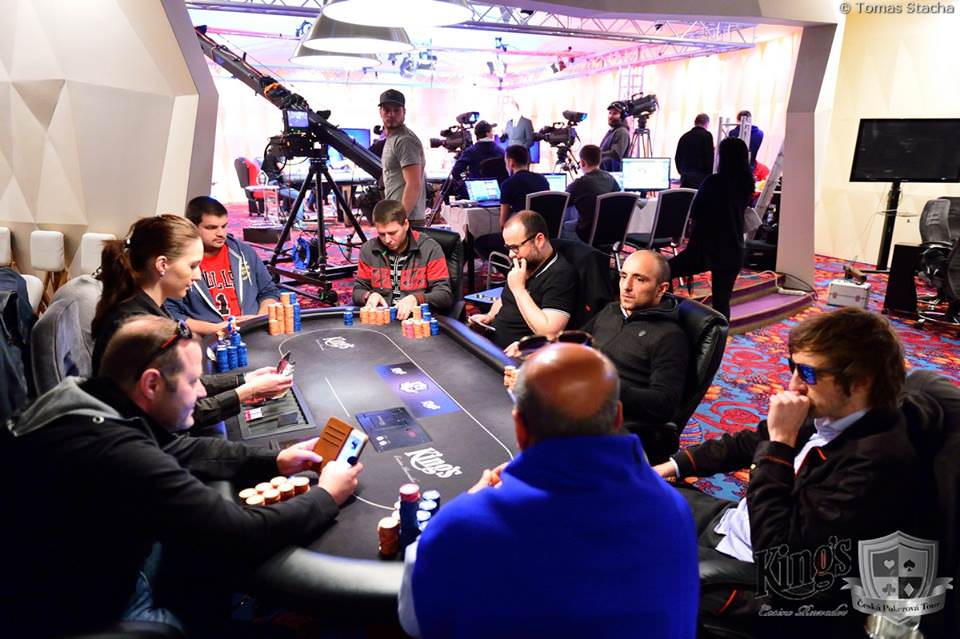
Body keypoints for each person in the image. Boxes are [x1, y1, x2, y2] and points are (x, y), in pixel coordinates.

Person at [0, 315, 362, 637]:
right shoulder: (119, 454)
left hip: (76, 566)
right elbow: (241, 534)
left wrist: (276, 460)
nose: (202, 391)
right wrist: (326, 495)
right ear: (152, 384)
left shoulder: (84, 396)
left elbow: (179, 449)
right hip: (88, 611)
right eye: (192, 381)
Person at [653, 308, 929, 630]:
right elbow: (748, 442)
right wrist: (671, 466)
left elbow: (779, 560)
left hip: (758, 577)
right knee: (634, 500)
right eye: (792, 367)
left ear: (859, 383)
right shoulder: (832, 414)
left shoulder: (875, 464)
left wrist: (780, 445)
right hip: (735, 525)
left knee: (630, 560)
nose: (793, 384)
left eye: (808, 374)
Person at [398, 343, 699, 639]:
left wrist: (472, 503)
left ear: (520, 428)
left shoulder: (462, 524)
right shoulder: (673, 507)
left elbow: (414, 620)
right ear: (618, 416)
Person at [92, 214, 291, 429]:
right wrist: (247, 392)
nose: (197, 276)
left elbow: (177, 382)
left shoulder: (147, 307)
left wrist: (245, 379)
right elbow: (181, 413)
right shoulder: (135, 327)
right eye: (193, 266)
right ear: (162, 265)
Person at [582, 250, 688, 463]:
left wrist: (609, 388)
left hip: (615, 424)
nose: (626, 287)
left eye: (639, 279)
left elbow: (664, 404)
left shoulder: (670, 337)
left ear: (661, 289)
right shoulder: (612, 311)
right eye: (623, 276)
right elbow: (574, 344)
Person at [165, 196, 281, 335]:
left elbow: (269, 291)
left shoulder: (244, 252)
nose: (221, 233)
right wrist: (217, 329)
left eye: (224, 226)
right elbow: (171, 314)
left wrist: (258, 319)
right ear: (192, 227)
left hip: (253, 333)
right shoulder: (181, 262)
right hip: (208, 340)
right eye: (211, 228)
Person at [668, 136, 754, 320]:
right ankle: (719, 336)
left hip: (706, 249)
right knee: (722, 303)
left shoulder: (713, 182)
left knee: (664, 271)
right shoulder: (747, 183)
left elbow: (696, 213)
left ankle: (667, 313)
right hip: (733, 250)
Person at [468, 211, 577, 356]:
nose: (511, 255)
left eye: (515, 247)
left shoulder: (561, 274)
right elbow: (505, 299)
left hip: (515, 357)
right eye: (508, 248)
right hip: (492, 343)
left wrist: (519, 289)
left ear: (539, 240)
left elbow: (550, 332)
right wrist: (489, 316)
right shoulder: (522, 263)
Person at [353, 199, 453, 318]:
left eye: (392, 233)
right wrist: (368, 295)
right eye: (381, 234)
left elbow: (444, 295)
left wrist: (416, 299)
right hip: (381, 318)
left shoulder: (430, 248)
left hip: (416, 319)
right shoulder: (368, 249)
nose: (387, 240)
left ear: (405, 224)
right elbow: (358, 290)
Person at [472, 144, 548, 260]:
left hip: (522, 239)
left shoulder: (508, 184)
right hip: (543, 236)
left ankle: (510, 268)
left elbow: (503, 224)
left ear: (511, 162)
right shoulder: (543, 180)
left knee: (479, 242)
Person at [379, 89, 426, 224]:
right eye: (387, 110)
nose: (391, 114)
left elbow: (413, 184)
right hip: (399, 215)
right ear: (380, 112)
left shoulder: (405, 140)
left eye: (396, 110)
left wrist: (400, 220)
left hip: (408, 219)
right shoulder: (392, 138)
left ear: (404, 112)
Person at [564, 143, 621, 241]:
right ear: (600, 161)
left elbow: (562, 203)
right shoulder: (611, 179)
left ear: (582, 163)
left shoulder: (579, 184)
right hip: (611, 233)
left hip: (587, 234)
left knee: (562, 227)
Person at [674, 113, 715, 189]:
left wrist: (682, 173)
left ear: (695, 122)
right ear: (707, 123)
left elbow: (677, 158)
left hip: (685, 178)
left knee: (686, 196)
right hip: (701, 179)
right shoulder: (707, 135)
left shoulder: (684, 137)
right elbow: (709, 157)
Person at [599, 101, 630, 171]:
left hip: (612, 175)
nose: (610, 116)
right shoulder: (613, 131)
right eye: (610, 113)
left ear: (622, 116)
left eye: (615, 113)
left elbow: (616, 154)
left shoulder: (622, 132)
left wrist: (596, 155)